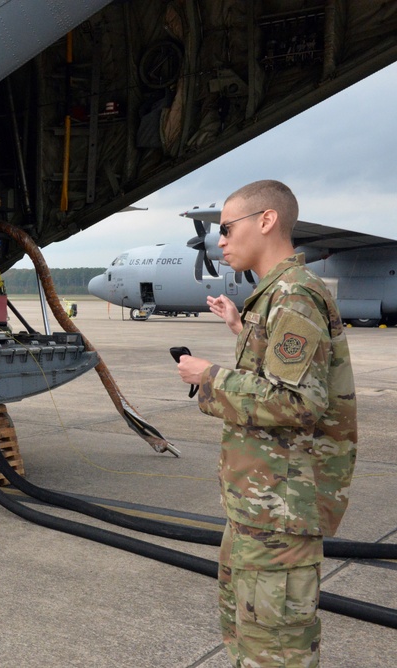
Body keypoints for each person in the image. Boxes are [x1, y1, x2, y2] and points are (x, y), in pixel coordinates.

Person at [176, 180, 357, 667]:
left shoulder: (295, 297)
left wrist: (209, 376)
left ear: (266, 220)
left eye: (228, 228)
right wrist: (239, 327)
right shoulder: (276, 296)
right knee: (249, 639)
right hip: (261, 508)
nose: (221, 241)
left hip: (281, 510)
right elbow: (279, 372)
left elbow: (296, 403)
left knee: (275, 651)